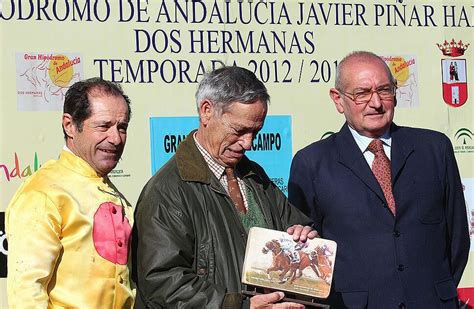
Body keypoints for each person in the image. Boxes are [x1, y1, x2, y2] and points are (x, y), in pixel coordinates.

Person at [288, 51, 470, 308]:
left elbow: (457, 238)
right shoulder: (311, 163)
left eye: (384, 90)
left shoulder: (434, 149)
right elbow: (308, 248)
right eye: (362, 93)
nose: (376, 102)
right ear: (338, 100)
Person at [132, 66, 317, 308]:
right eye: (239, 130)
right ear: (206, 111)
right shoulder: (167, 191)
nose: (248, 143)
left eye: (255, 132)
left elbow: (294, 225)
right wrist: (238, 306)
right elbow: (162, 282)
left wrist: (303, 235)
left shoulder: (254, 175)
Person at [6, 78, 135, 308]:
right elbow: (26, 295)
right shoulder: (44, 193)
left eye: (122, 127)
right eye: (103, 126)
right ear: (69, 125)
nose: (116, 138)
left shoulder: (109, 190)